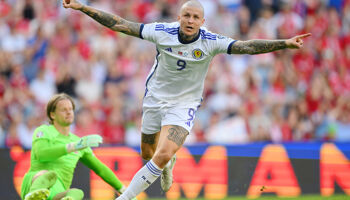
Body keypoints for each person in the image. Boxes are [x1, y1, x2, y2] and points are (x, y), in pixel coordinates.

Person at [63, 1, 311, 199]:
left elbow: (246, 46)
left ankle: (125, 197)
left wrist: (283, 44)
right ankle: (167, 163)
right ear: (179, 17)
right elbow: (120, 24)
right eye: (186, 16)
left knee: (161, 154)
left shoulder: (210, 42)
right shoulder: (161, 31)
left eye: (195, 17)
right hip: (154, 99)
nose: (190, 20)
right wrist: (83, 7)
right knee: (149, 155)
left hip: (184, 105)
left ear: (203, 22)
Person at [21, 93, 135, 200]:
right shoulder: (44, 131)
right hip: (35, 182)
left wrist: (122, 189)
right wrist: (73, 147)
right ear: (52, 114)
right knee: (48, 175)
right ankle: (34, 195)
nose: (69, 112)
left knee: (77, 192)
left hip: (56, 192)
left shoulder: (78, 142)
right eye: (63, 110)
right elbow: (42, 154)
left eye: (70, 109)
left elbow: (100, 169)